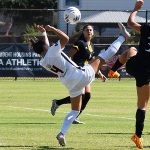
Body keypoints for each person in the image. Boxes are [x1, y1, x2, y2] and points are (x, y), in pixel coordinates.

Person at [30, 23, 130, 146]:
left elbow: (45, 47)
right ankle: (123, 37)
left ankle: (62, 133)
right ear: (45, 46)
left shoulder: (43, 61)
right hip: (78, 75)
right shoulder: (52, 50)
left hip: (69, 82)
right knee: (104, 56)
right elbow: (65, 38)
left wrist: (44, 33)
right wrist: (52, 29)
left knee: (75, 110)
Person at [106, 0, 149, 149]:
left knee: (131, 50)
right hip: (147, 73)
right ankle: (137, 136)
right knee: (142, 105)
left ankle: (112, 70)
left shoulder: (147, 27)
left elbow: (130, 23)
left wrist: (135, 9)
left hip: (135, 66)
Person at [50, 24, 106, 124]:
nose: (89, 31)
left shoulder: (91, 45)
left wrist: (100, 73)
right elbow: (68, 56)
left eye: (90, 30)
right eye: (87, 30)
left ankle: (63, 107)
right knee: (82, 94)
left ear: (93, 33)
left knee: (87, 96)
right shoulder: (79, 43)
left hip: (85, 71)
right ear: (83, 32)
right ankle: (60, 105)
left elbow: (90, 60)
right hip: (76, 71)